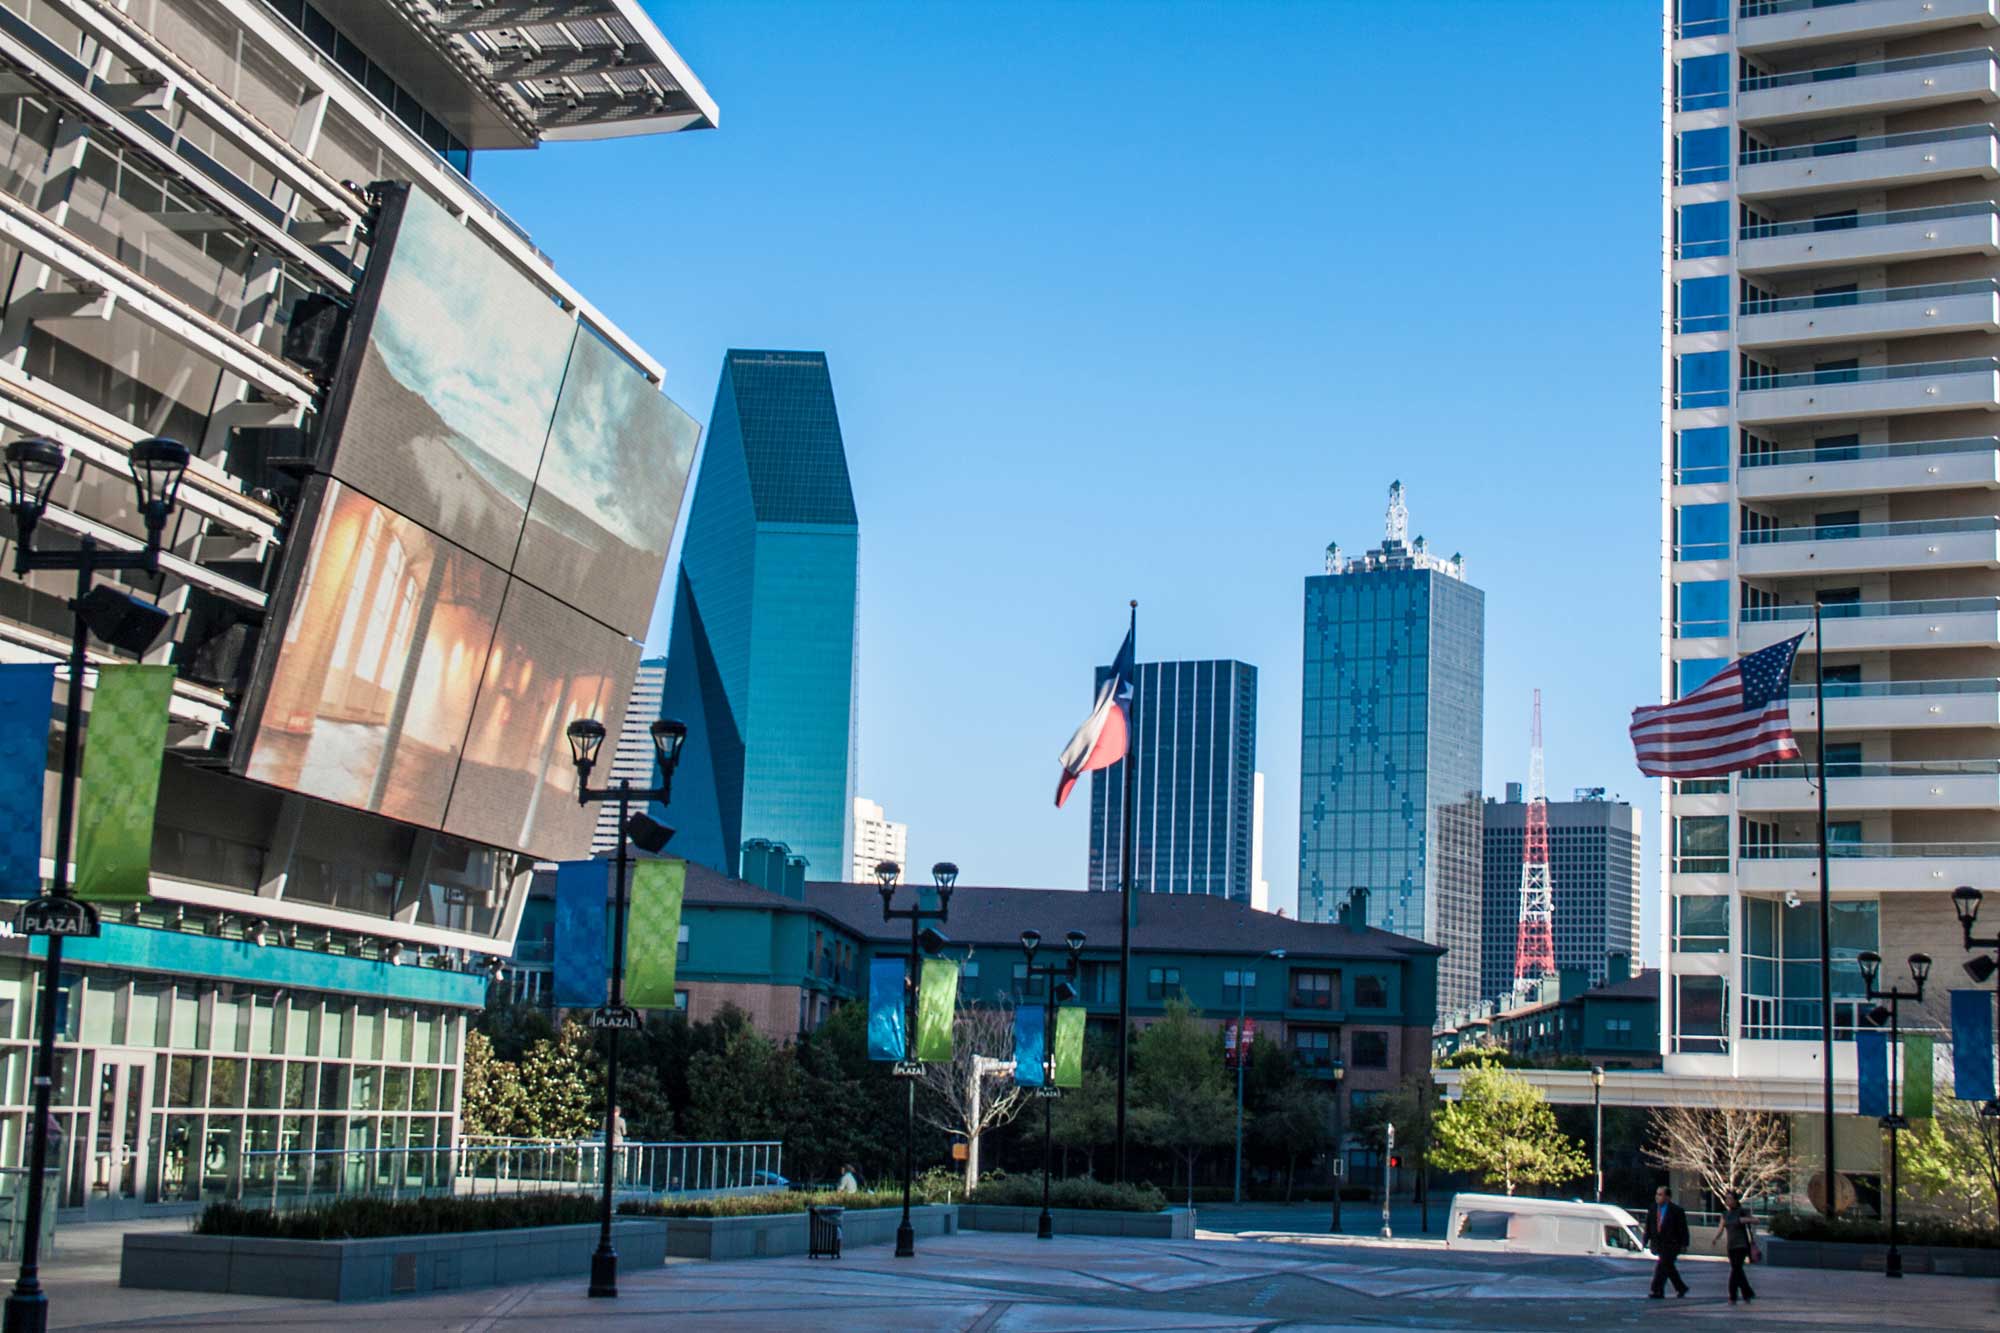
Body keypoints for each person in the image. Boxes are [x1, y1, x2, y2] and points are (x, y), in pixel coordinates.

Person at [1643, 1183, 1691, 1299]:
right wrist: (1645, 1240)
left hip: (1671, 1245)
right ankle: (1681, 1287)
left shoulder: (1677, 1211)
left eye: (1660, 1195)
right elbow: (1649, 1226)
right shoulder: (1653, 1208)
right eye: (1657, 1194)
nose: (1657, 1197)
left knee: (1662, 1266)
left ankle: (1657, 1290)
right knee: (1668, 1268)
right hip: (1658, 1243)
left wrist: (1684, 1244)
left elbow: (1683, 1229)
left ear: (1667, 1197)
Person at [1714, 1191, 1758, 1305]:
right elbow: (1721, 1228)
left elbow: (1755, 1220)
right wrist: (1715, 1238)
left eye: (1729, 1198)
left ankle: (1732, 1295)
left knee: (1736, 1270)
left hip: (1741, 1245)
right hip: (1731, 1246)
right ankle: (1747, 1292)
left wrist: (1744, 1220)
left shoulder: (1741, 1212)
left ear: (1735, 1200)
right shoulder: (1725, 1214)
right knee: (1738, 1270)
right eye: (1726, 1198)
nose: (1727, 1201)